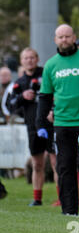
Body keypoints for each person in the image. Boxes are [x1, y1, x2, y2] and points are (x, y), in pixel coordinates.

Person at [36, 24, 79, 215]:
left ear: (74, 37)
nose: (64, 40)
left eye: (67, 36)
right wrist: (40, 123)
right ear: (55, 40)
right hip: (63, 124)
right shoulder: (50, 65)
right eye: (60, 37)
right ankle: (69, 211)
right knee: (64, 167)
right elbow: (45, 97)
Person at [9, 48, 58, 206]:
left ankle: (61, 197)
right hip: (32, 126)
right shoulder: (19, 83)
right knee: (37, 164)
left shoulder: (46, 75)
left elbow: (58, 94)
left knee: (56, 162)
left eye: (32, 58)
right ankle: (37, 198)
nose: (29, 60)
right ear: (22, 61)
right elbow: (11, 105)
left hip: (51, 124)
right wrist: (22, 97)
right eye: (26, 58)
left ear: (37, 59)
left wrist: (54, 110)